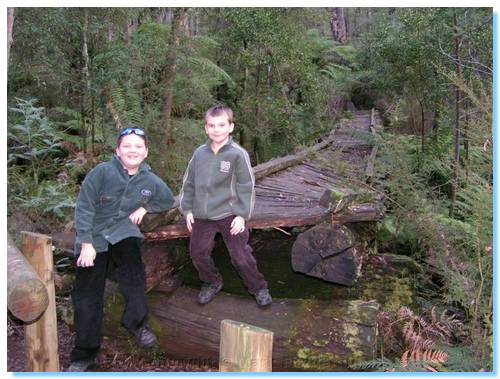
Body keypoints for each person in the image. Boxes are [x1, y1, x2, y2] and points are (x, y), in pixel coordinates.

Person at [68, 127, 174, 372]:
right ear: (118, 150)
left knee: (134, 273)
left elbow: (167, 200)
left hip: (123, 233)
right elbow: (84, 208)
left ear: (146, 152)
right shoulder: (102, 172)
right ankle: (84, 354)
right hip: (94, 236)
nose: (132, 150)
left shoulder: (150, 180)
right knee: (86, 295)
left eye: (138, 146)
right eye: (127, 146)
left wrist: (146, 207)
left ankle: (136, 323)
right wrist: (86, 244)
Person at [180, 104, 272, 307]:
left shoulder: (237, 154)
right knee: (198, 252)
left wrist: (241, 215)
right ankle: (212, 282)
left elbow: (246, 185)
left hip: (229, 213)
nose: (216, 129)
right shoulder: (199, 154)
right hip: (202, 214)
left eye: (221, 125)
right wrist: (187, 210)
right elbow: (189, 183)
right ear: (206, 128)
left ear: (231, 127)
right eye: (211, 125)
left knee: (240, 256)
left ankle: (258, 287)